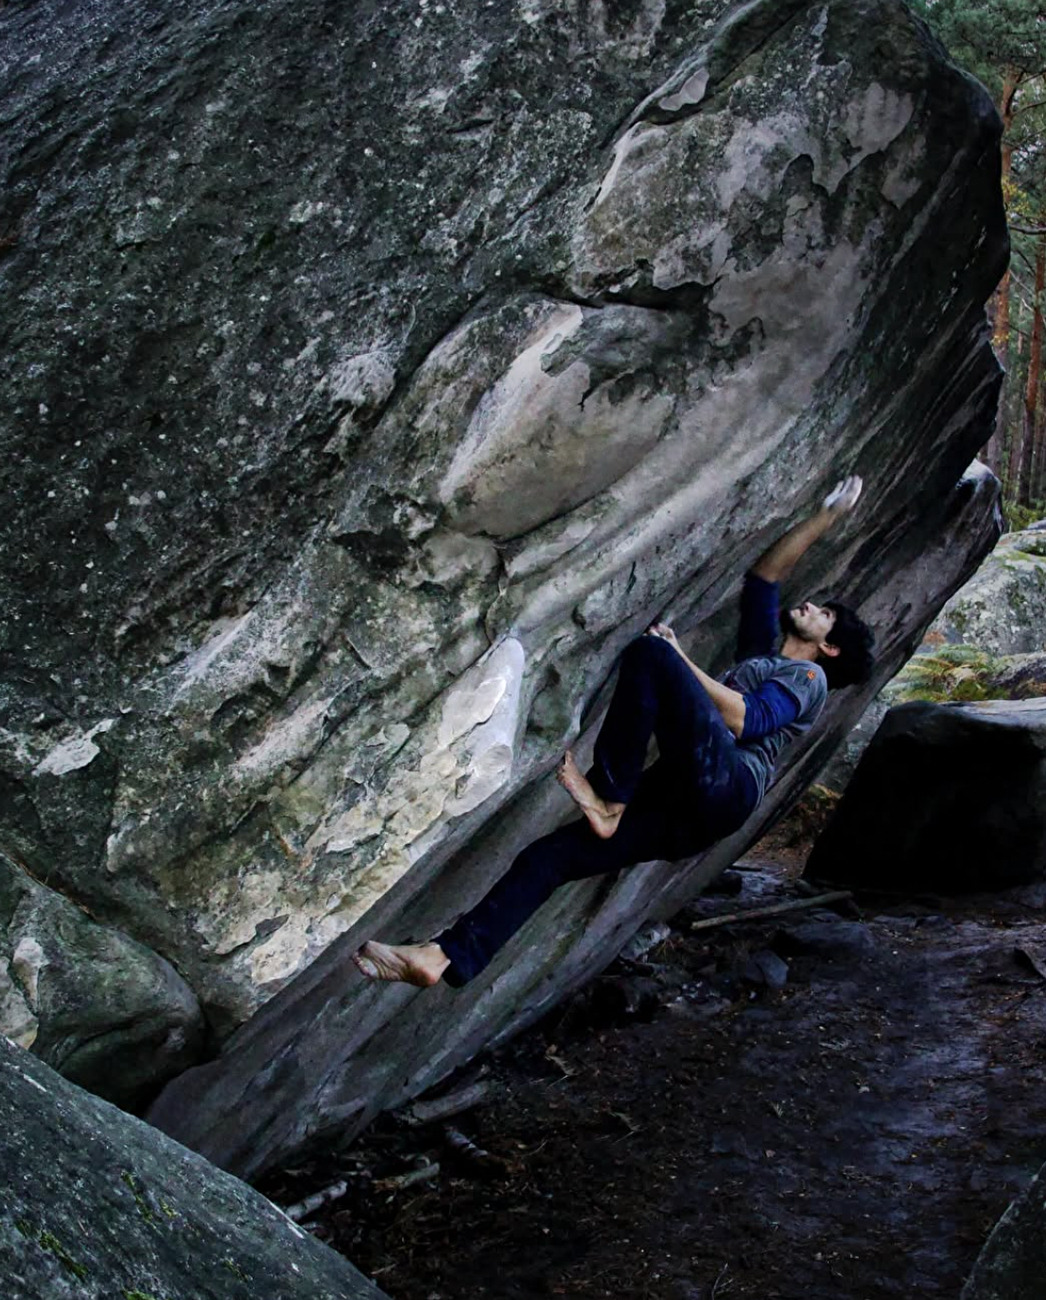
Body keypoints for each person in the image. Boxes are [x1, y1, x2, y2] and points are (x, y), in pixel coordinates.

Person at [353, 476, 874, 989]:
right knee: (548, 857)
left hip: (726, 788)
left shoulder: (809, 679)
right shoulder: (762, 656)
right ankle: (440, 957)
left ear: (829, 648)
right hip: (683, 809)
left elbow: (746, 719)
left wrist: (678, 657)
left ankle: (609, 798)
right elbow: (764, 579)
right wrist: (826, 516)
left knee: (652, 654)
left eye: (824, 615)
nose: (811, 606)